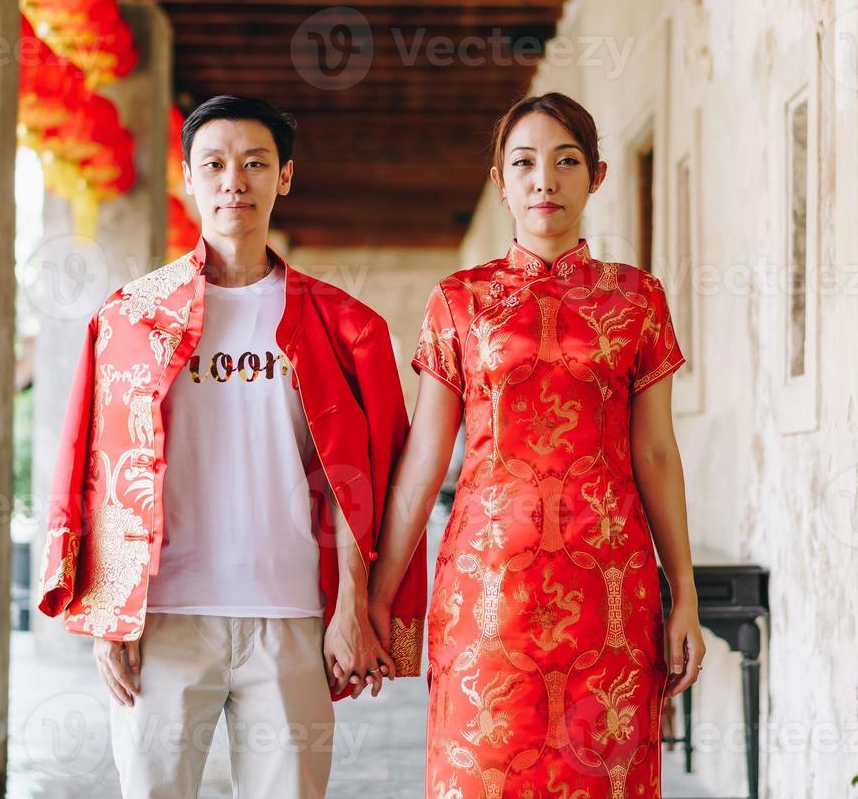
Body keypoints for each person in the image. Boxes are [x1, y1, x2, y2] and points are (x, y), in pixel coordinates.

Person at [36, 95, 428, 798]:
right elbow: (92, 466)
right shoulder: (131, 318)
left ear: (284, 178)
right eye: (214, 164)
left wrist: (352, 609)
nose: (233, 182)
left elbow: (361, 482)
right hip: (164, 618)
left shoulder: (346, 327)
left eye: (255, 164)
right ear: (188, 176)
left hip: (292, 617)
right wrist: (107, 613)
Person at [366, 92, 705, 797]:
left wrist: (685, 599)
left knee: (601, 772)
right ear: (499, 182)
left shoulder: (637, 299)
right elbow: (424, 461)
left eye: (564, 161)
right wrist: (377, 591)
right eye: (523, 164)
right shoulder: (458, 301)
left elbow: (656, 456)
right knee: (484, 770)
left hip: (610, 587)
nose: (543, 180)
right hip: (485, 588)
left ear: (597, 176)